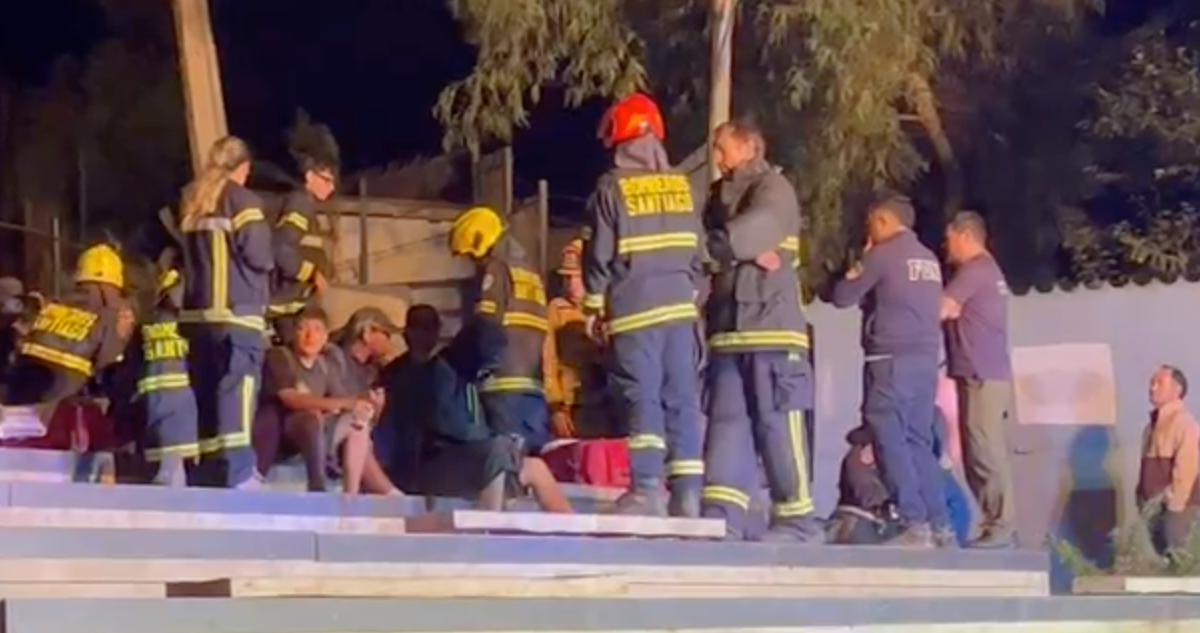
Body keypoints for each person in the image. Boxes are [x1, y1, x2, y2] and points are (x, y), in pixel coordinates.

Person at [583, 92, 705, 517]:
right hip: (681, 312)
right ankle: (688, 493)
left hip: (636, 311)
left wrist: (593, 306)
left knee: (643, 398)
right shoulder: (682, 187)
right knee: (683, 399)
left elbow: (600, 253)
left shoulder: (612, 187)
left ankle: (647, 488)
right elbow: (698, 253)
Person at [700, 120, 823, 542]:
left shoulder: (774, 190)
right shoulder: (718, 199)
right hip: (728, 330)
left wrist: (723, 250)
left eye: (723, 148)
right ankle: (722, 514)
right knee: (726, 424)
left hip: (772, 329)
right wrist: (730, 253)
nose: (716, 158)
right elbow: (721, 246)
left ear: (749, 147)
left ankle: (797, 522)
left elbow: (745, 235)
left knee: (777, 424)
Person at [831, 196, 950, 548]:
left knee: (887, 438)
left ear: (883, 221)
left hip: (889, 361)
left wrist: (861, 261)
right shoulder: (929, 259)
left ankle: (913, 522)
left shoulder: (882, 255)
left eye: (870, 224)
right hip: (926, 362)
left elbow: (842, 295)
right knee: (918, 442)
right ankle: (940, 526)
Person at [383, 304, 572, 512]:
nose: (494, 365)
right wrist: (499, 443)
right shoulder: (440, 374)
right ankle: (489, 526)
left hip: (471, 463)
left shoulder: (470, 379)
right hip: (433, 468)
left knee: (536, 468)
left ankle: (577, 533)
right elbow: (451, 428)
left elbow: (487, 425)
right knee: (498, 452)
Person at [176, 136, 273, 488]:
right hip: (237, 316)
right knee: (237, 390)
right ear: (242, 167)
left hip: (196, 317)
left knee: (205, 396)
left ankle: (206, 471)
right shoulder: (242, 199)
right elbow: (260, 256)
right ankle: (239, 471)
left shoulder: (191, 199)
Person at [253, 306, 400, 495]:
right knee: (310, 417)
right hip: (284, 433)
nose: (310, 336)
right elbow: (291, 399)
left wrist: (368, 408)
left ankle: (351, 496)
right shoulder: (280, 356)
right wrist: (341, 404)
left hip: (324, 434)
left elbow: (342, 401)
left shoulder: (325, 365)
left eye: (317, 330)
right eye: (303, 328)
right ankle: (317, 486)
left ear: (324, 338)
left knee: (356, 425)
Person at [1, 245, 134, 441]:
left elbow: (21, 338)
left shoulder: (55, 303)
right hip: (60, 390)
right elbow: (109, 363)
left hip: (21, 379)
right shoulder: (112, 312)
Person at [447, 206, 551, 453]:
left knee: (505, 462)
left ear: (483, 244)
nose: (473, 263)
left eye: (472, 256)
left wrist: (468, 364)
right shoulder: (530, 273)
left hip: (502, 384)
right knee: (533, 460)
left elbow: (488, 325)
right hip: (533, 384)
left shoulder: (495, 270)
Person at [941, 210, 1017, 548]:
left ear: (966, 236)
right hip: (979, 373)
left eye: (950, 239)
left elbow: (941, 308)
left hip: (983, 374)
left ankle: (1001, 525)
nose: (947, 246)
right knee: (976, 450)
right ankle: (993, 523)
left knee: (985, 450)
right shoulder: (986, 270)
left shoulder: (975, 270)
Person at [268, 120, 338, 343]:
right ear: (309, 176)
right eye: (326, 179)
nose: (332, 187)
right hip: (283, 304)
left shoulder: (305, 205)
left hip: (290, 307)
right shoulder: (300, 203)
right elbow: (281, 249)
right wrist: (311, 273)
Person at [126, 272, 198, 486]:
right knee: (174, 476)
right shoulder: (192, 323)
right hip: (184, 408)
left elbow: (132, 365)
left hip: (153, 407)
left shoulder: (146, 323)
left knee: (164, 471)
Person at [543, 239, 613, 439]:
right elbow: (549, 360)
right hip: (571, 407)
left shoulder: (607, 308)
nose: (572, 285)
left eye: (577, 277)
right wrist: (555, 407)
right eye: (567, 278)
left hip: (604, 402)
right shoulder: (557, 309)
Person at [1138, 365, 1200, 554]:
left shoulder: (1184, 422)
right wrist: (1142, 501)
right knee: (1163, 558)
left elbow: (1187, 467)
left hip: (1177, 509)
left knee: (1178, 556)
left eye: (1159, 383)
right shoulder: (1150, 428)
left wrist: (1175, 506)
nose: (1153, 388)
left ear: (1177, 389)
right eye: (1151, 383)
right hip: (1154, 508)